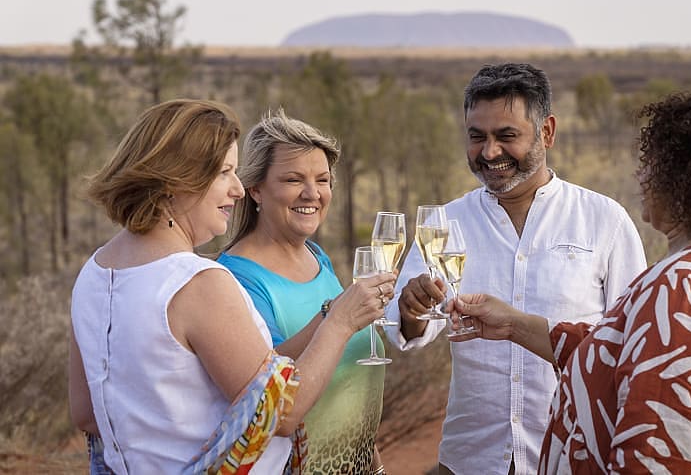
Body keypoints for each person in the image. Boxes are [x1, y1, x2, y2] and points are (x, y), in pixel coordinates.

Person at [448, 89, 691, 473]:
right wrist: (514, 325)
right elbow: (629, 354)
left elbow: (651, 454)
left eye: (649, 164)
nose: (641, 175)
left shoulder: (682, 285)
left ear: (683, 179)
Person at [68, 99, 394, 474]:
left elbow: (87, 414)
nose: (239, 189)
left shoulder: (94, 272)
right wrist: (339, 322)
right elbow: (280, 415)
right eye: (225, 172)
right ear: (177, 180)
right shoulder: (198, 283)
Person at [384, 62, 647, 474]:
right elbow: (409, 330)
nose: (490, 153)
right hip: (471, 460)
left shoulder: (604, 220)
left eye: (507, 136)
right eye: (477, 137)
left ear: (547, 132)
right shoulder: (446, 223)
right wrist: (411, 307)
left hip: (571, 456)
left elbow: (632, 344)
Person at [218, 109, 389, 475]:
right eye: (294, 179)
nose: (313, 193)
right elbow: (264, 381)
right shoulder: (236, 278)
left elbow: (344, 369)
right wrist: (335, 315)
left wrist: (370, 455)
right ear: (256, 188)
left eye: (323, 180)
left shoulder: (317, 256)